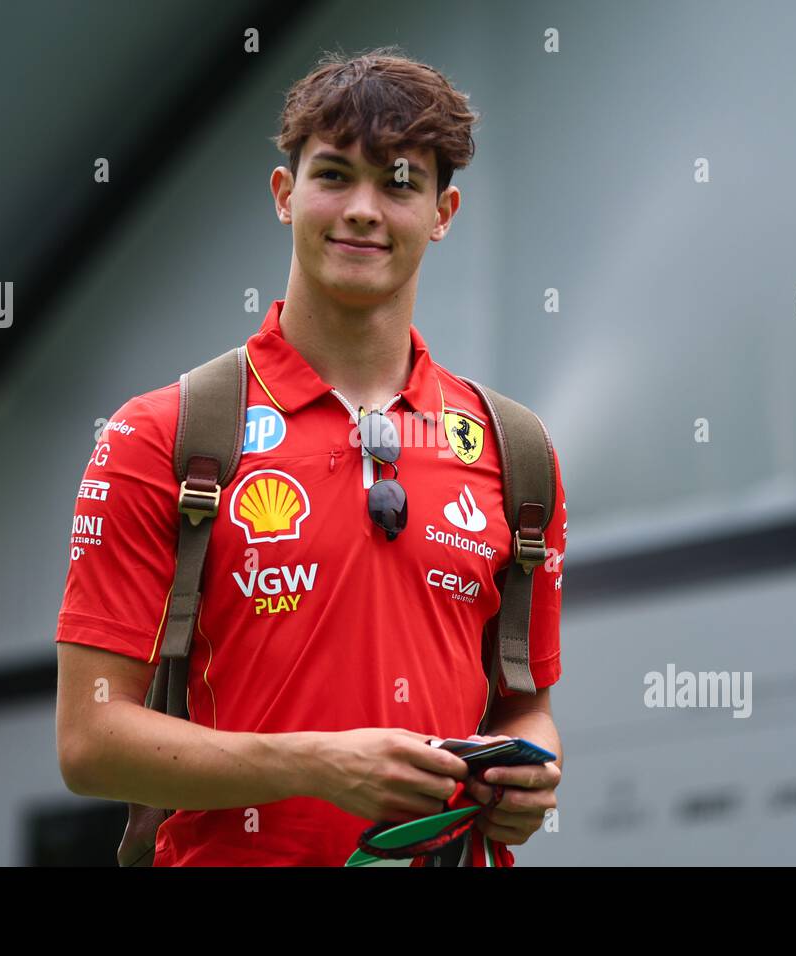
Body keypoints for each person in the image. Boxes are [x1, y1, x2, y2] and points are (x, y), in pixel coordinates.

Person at [54, 46, 566, 866]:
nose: (363, 208)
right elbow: (89, 742)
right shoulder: (159, 437)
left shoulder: (518, 454)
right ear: (285, 194)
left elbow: (523, 711)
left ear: (443, 211)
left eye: (399, 181)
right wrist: (315, 765)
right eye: (334, 175)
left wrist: (532, 779)